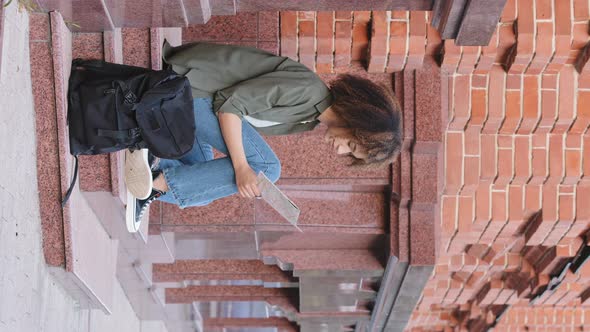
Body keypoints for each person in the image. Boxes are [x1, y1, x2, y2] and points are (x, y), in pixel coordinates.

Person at [124, 41, 403, 232]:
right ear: (355, 119)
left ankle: (152, 174)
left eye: (351, 155)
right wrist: (244, 169)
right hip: (188, 86)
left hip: (196, 103)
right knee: (268, 168)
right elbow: (229, 107)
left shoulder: (306, 120)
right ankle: (154, 185)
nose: (341, 152)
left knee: (200, 188)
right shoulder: (308, 92)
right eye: (351, 145)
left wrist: (240, 177)